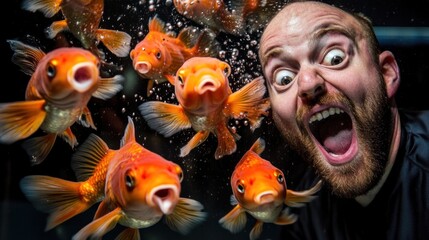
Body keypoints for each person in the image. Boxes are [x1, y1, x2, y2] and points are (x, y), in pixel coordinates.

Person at [258, 1, 429, 239]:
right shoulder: (302, 211)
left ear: (386, 74)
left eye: (335, 57)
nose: (307, 83)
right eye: (284, 78)